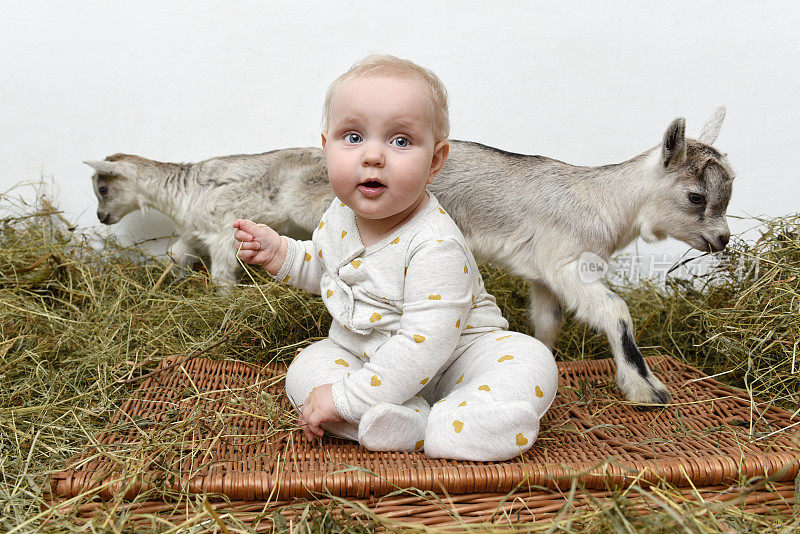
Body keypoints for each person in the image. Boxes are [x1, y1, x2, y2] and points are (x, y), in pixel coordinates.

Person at [233, 54, 557, 461]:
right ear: (325, 147)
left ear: (435, 161)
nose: (372, 156)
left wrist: (349, 398)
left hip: (457, 357)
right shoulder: (338, 215)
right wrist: (281, 252)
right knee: (307, 367)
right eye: (352, 137)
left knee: (529, 359)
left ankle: (458, 421)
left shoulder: (434, 244)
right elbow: (328, 269)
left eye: (400, 141)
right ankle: (402, 421)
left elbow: (425, 344)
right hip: (365, 355)